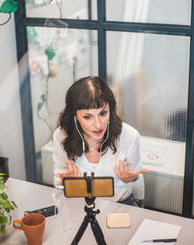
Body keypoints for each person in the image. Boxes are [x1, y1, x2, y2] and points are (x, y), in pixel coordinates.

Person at [53, 76, 148, 206]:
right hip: (78, 201)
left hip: (120, 203)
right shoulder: (61, 136)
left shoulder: (129, 136)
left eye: (103, 113)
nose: (98, 125)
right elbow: (58, 176)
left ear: (111, 109)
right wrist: (67, 181)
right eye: (87, 117)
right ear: (75, 116)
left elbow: (137, 182)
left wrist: (132, 178)